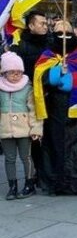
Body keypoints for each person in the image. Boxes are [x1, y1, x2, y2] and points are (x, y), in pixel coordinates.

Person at [33, 20, 77, 195]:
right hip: (54, 110)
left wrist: (70, 79)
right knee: (54, 146)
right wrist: (54, 73)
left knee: (76, 149)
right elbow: (39, 79)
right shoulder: (47, 55)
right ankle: (55, 184)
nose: (63, 37)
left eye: (67, 33)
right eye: (59, 33)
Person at [10, 10, 52, 187]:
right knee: (34, 139)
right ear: (31, 25)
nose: (45, 26)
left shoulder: (52, 43)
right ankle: (33, 176)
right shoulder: (20, 45)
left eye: (46, 23)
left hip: (50, 96)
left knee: (50, 138)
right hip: (29, 97)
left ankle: (48, 175)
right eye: (41, 23)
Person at [0, 52, 42, 200]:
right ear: (4, 72)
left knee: (26, 157)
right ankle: (12, 186)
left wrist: (36, 129)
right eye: (12, 72)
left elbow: (34, 110)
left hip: (25, 129)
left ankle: (29, 184)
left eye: (18, 72)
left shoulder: (27, 87)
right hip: (5, 129)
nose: (16, 75)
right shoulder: (0, 88)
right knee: (9, 158)